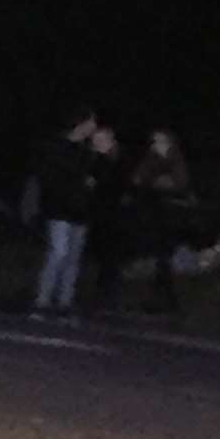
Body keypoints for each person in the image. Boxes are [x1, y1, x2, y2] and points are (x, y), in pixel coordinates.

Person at [31, 108, 98, 320]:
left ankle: (65, 302)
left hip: (81, 211)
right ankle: (42, 300)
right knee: (58, 253)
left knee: (73, 258)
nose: (94, 127)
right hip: (59, 209)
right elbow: (53, 177)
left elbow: (94, 177)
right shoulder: (57, 147)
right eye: (91, 122)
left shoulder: (87, 150)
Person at [131, 129, 192, 314]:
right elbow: (138, 179)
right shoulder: (150, 160)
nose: (154, 145)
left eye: (158, 141)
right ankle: (160, 300)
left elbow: (180, 183)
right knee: (157, 259)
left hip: (172, 217)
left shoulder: (176, 160)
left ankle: (167, 301)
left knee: (165, 259)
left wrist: (161, 183)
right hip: (153, 214)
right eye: (153, 141)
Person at [87, 126, 132, 312]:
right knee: (103, 255)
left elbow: (116, 184)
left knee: (110, 257)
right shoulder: (94, 158)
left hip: (114, 215)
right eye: (96, 140)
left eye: (102, 140)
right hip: (98, 213)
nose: (98, 144)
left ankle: (108, 296)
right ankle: (102, 294)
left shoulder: (119, 160)